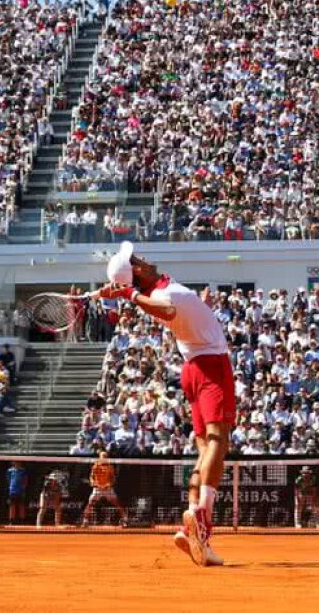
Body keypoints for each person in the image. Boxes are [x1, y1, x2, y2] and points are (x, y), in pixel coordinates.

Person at [96, 241, 234, 567]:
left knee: (205, 448)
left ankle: (193, 530)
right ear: (137, 272)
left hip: (194, 368)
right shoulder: (158, 296)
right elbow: (168, 310)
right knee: (218, 440)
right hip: (210, 365)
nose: (144, 259)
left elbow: (163, 305)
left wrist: (125, 294)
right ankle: (203, 515)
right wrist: (127, 295)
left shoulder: (157, 289)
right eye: (137, 260)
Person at [80, 452, 128, 527]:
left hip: (107, 489)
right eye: (103, 456)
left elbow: (113, 478)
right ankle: (85, 521)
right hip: (97, 489)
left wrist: (109, 484)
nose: (104, 457)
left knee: (116, 503)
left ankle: (124, 520)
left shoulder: (110, 467)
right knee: (90, 504)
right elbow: (91, 477)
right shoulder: (95, 466)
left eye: (105, 456)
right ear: (100, 457)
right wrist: (93, 482)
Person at [6, 462, 28, 526]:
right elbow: (8, 479)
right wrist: (11, 487)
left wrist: (23, 487)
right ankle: (11, 521)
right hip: (12, 491)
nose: (16, 463)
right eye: (15, 461)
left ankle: (22, 521)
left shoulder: (23, 470)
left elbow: (26, 480)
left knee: (21, 506)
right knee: (12, 506)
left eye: (18, 462)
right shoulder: (9, 470)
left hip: (21, 491)